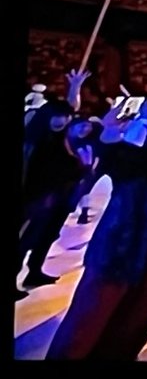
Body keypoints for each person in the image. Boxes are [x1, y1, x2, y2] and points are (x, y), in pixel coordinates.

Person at [46, 102, 147, 360]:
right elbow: (114, 157)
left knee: (139, 313)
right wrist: (105, 133)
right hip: (119, 249)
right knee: (90, 317)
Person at [19, 97, 86, 295]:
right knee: (26, 239)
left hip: (58, 200)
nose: (62, 120)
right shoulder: (37, 138)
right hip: (36, 199)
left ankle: (34, 271)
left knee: (45, 237)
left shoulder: (63, 139)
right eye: (57, 116)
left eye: (65, 117)